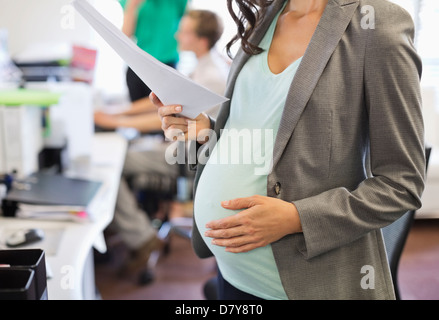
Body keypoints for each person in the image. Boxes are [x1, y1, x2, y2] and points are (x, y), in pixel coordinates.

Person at [152, 0, 426, 299]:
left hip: (304, 285)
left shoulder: (376, 24)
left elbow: (402, 183)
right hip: (232, 274)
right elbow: (259, 127)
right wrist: (206, 132)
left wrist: (297, 217)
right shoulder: (264, 17)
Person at [107, 9, 228, 278]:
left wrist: (115, 120)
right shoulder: (203, 64)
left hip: (190, 157)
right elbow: (164, 102)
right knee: (123, 152)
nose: (176, 34)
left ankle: (140, 237)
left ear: (201, 40)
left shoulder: (211, 76)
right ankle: (138, 231)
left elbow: (174, 119)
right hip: (184, 149)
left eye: (183, 31)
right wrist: (120, 113)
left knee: (112, 164)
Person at [120, 0, 188, 102]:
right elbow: (126, 34)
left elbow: (187, 26)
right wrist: (132, 5)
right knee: (136, 113)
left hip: (167, 65)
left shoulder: (176, 2)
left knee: (166, 110)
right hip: (138, 64)